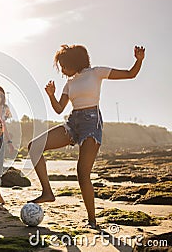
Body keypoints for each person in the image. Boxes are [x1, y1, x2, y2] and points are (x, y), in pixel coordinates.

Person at [28, 45, 145, 228]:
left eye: (64, 66)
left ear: (75, 62)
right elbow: (59, 109)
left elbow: (130, 74)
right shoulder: (69, 83)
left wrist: (139, 60)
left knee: (82, 173)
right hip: (73, 122)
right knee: (34, 146)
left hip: (91, 123)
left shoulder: (96, 73)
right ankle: (47, 192)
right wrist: (51, 95)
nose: (63, 71)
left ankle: (92, 221)